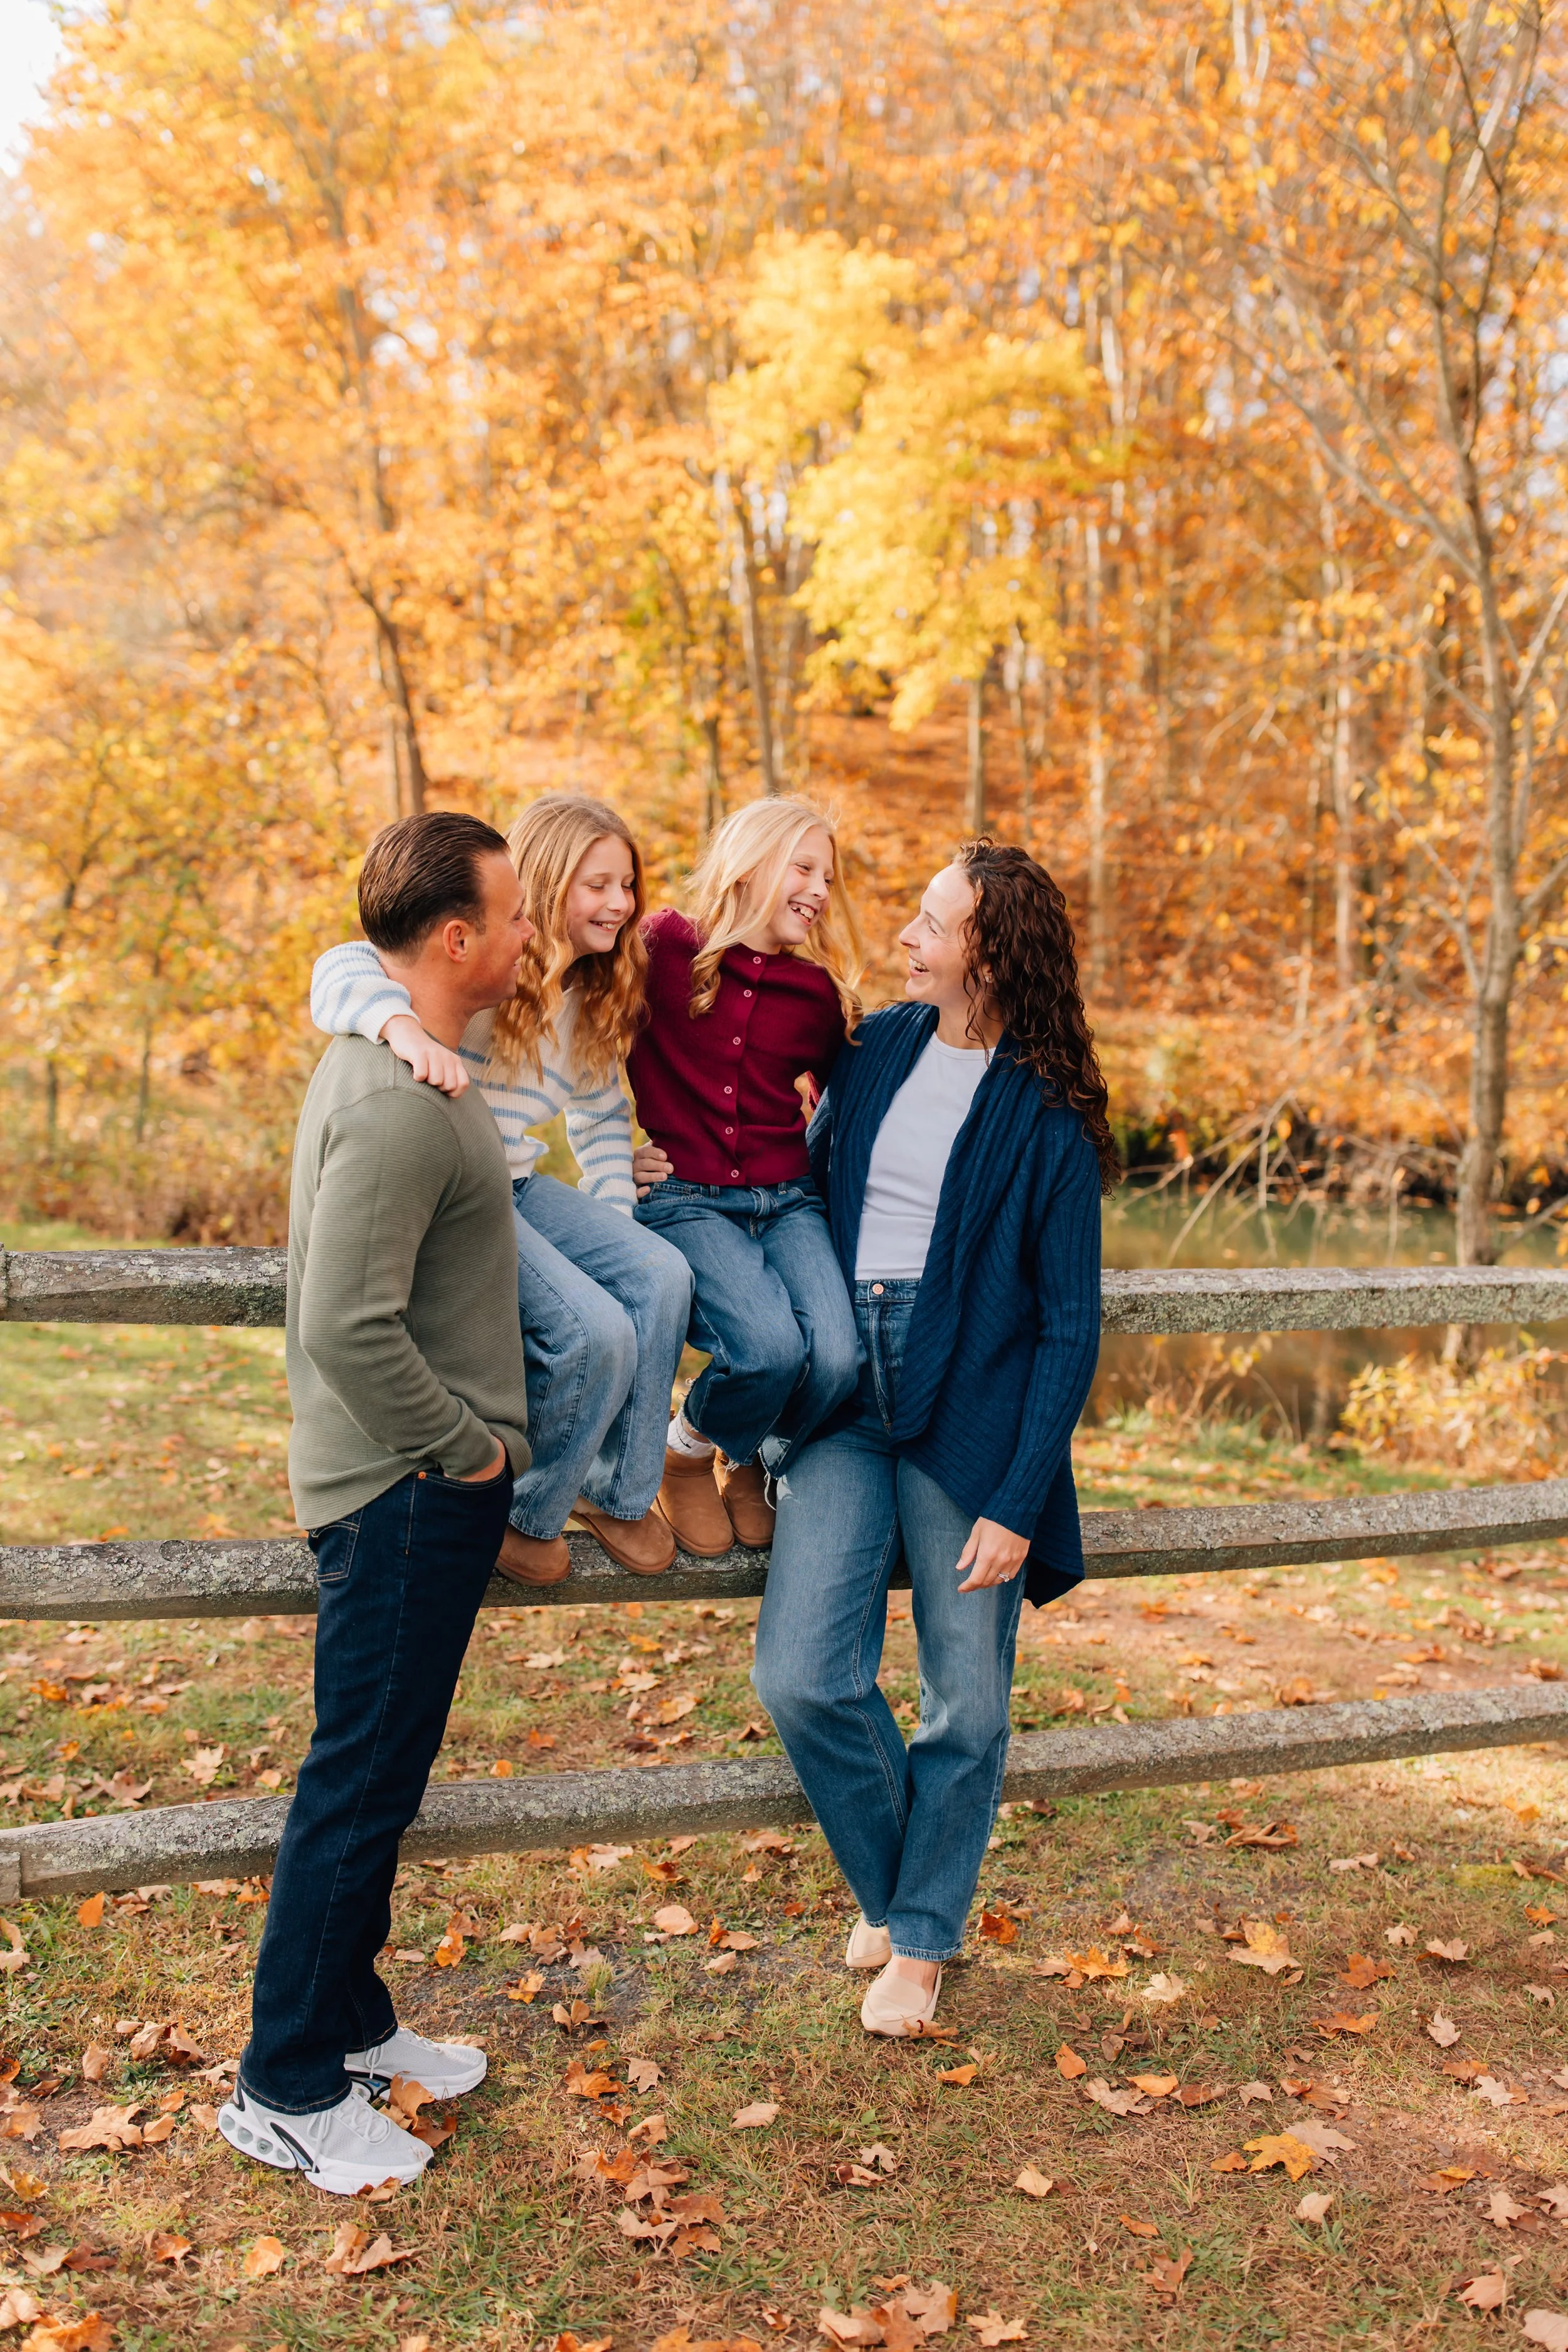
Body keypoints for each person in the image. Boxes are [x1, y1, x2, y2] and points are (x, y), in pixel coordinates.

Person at [750, 839, 1118, 2036]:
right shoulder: (880, 1046)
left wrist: (1018, 1499)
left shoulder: (1050, 1115)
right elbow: (779, 1165)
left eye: (928, 923)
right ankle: (903, 1887)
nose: (903, 938)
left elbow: (1068, 1326)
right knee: (802, 1674)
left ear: (987, 950)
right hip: (846, 1388)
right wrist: (666, 1171)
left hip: (973, 1409)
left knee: (965, 1700)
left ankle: (919, 1942)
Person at [221, 811, 534, 2194]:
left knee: (379, 1780)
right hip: (404, 1492)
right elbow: (343, 1322)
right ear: (456, 940)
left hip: (410, 1487)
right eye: (514, 918)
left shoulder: (396, 1056)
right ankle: (282, 2084)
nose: (529, 938)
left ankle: (348, 2028)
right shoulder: (402, 1100)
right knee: (356, 1786)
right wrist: (464, 1452)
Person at [310, 795, 694, 1584]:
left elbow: (599, 1121)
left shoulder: (598, 992)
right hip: (469, 1196)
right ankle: (527, 1509)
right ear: (546, 887)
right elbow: (342, 964)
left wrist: (618, 1232)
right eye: (598, 884)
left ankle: (617, 1491)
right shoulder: (492, 966)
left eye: (628, 885)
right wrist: (400, 1028)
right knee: (596, 1334)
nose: (620, 904)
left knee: (662, 1275)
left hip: (522, 1182)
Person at [628, 797, 863, 1555]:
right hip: (685, 1197)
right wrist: (606, 1155)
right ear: (748, 864)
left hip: (788, 1199)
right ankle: (686, 1451)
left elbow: (844, 1111)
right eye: (803, 868)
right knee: (766, 1349)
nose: (820, 890)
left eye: (828, 876)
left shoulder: (816, 995)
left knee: (836, 1356)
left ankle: (751, 1456)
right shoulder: (662, 946)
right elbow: (577, 1028)